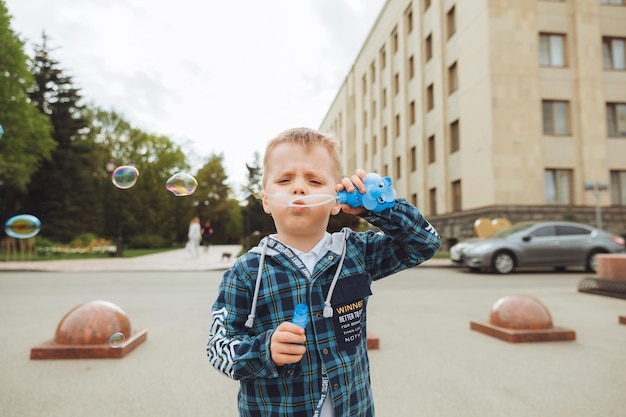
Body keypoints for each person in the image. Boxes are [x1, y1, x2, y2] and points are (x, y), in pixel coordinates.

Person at [206, 127, 441, 417]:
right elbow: (218, 347)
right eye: (284, 179)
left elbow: (424, 244)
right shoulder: (245, 272)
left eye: (314, 180)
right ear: (266, 200)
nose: (299, 188)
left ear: (335, 201)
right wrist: (264, 351)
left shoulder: (356, 253)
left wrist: (377, 206)